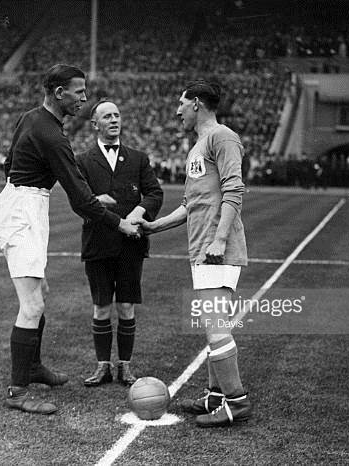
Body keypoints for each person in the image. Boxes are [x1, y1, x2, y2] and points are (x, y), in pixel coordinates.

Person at [0, 65, 140, 415]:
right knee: (32, 306)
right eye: (79, 92)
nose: (85, 99)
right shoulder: (51, 135)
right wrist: (118, 224)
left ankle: (32, 366)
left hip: (24, 201)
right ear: (59, 93)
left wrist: (79, 196)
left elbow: (11, 162)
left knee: (39, 295)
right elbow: (79, 199)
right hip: (24, 210)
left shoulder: (33, 118)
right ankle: (17, 391)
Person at [136, 80, 252, 427]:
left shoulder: (222, 137)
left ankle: (236, 402)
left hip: (217, 248)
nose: (177, 111)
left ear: (197, 103)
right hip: (202, 246)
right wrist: (155, 227)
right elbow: (191, 204)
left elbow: (234, 188)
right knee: (211, 327)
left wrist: (218, 241)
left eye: (181, 104)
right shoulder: (198, 147)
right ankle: (216, 396)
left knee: (216, 328)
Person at [75, 100, 163, 387]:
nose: (113, 120)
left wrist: (140, 211)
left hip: (131, 245)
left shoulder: (138, 158)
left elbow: (154, 193)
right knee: (101, 307)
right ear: (95, 124)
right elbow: (79, 201)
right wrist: (94, 201)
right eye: (107, 116)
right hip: (98, 244)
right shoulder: (83, 161)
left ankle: (125, 366)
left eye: (116, 115)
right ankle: (103, 366)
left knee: (126, 306)